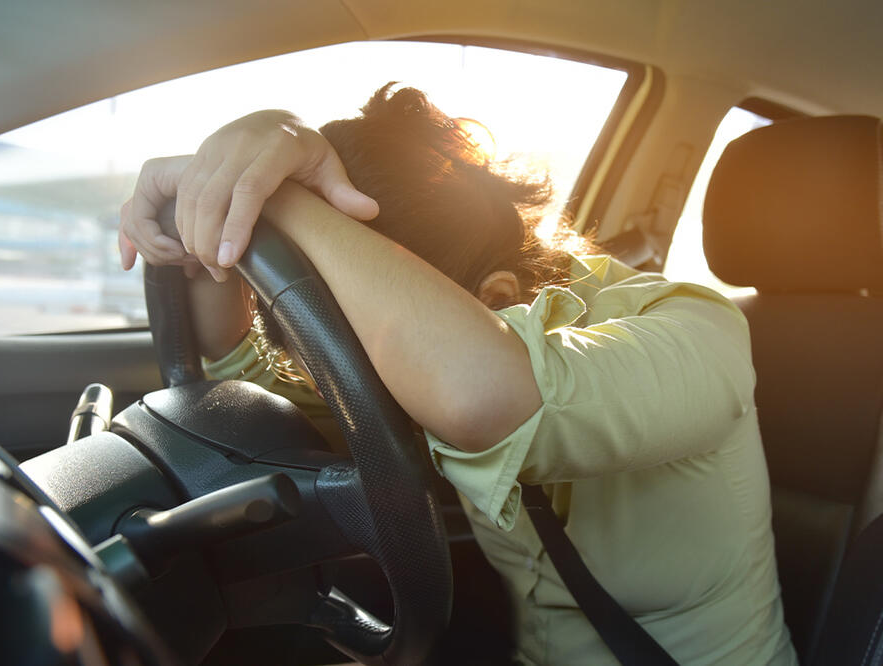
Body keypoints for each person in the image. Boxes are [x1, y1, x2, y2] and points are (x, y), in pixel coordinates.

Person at [119, 84, 797, 665]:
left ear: (496, 299)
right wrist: (216, 206)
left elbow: (484, 395)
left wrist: (285, 202)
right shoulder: (415, 345)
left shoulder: (694, 331)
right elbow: (242, 377)